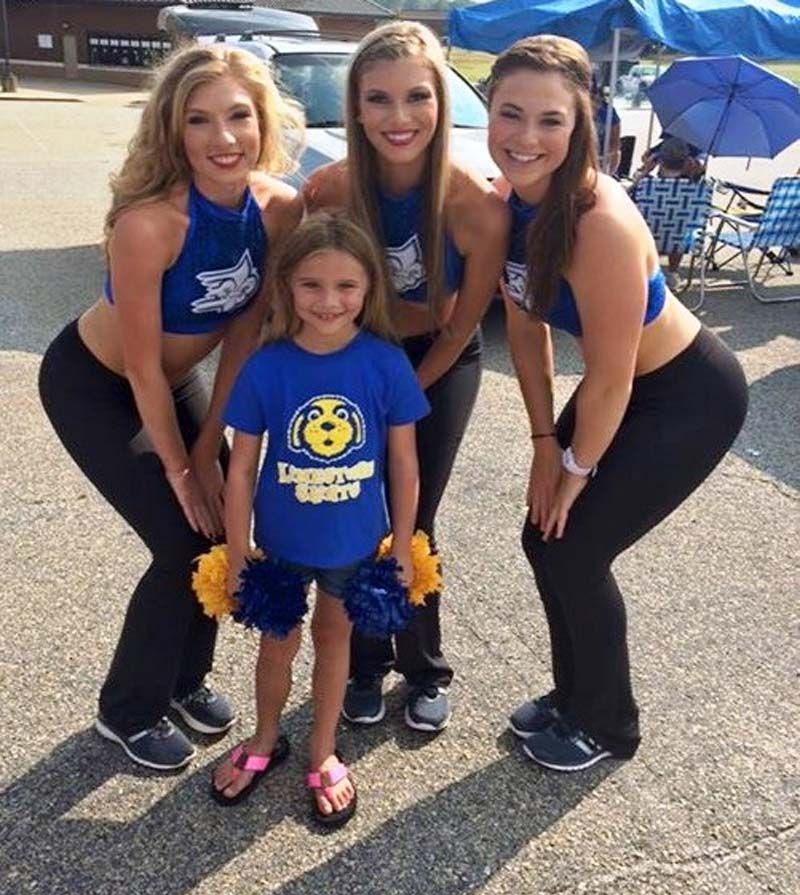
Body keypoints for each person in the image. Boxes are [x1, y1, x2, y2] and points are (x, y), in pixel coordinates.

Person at [38, 45, 303, 770]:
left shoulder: (279, 209)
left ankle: (186, 681)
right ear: (173, 131)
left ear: (263, 120)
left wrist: (213, 447)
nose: (223, 138)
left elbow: (244, 335)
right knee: (180, 536)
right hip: (98, 385)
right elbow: (144, 370)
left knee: (222, 527)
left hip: (178, 381)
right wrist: (184, 469)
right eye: (199, 120)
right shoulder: (150, 224)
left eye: (239, 116)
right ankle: (127, 711)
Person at [487, 35, 748, 771]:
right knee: (543, 538)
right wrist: (543, 442)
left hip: (685, 396)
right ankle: (573, 695)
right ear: (491, 115)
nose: (527, 137)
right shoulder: (507, 203)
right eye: (511, 114)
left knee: (575, 548)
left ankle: (609, 725)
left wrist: (574, 466)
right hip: (623, 389)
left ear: (580, 127)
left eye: (550, 121)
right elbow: (524, 330)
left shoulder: (599, 220)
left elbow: (610, 377)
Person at [304, 21, 508, 733]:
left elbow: (464, 325)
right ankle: (364, 665)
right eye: (379, 100)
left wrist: (407, 394)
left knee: (411, 517)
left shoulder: (474, 205)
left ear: (442, 102)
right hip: (356, 362)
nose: (399, 118)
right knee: (356, 514)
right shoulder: (328, 190)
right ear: (356, 108)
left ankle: (425, 667)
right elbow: (302, 297)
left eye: (417, 97)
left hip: (439, 362)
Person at [211, 213, 429, 826]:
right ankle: (263, 740)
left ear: (368, 290)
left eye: (346, 287)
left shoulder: (385, 364)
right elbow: (241, 469)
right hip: (280, 544)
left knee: (335, 640)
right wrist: (237, 548)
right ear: (286, 288)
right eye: (311, 286)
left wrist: (404, 546)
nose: (329, 301)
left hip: (355, 546)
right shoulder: (267, 366)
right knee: (277, 645)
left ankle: (322, 746)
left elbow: (405, 465)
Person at [630, 135, 708, 290]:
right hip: (679, 242)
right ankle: (673, 271)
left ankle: (647, 269)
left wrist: (645, 171)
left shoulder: (646, 185)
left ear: (659, 161)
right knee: (681, 225)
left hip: (648, 238)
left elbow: (627, 197)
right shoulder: (697, 189)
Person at [591, 77, 620, 175]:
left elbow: (615, 140)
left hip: (604, 145)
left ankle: (609, 176)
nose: (596, 105)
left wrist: (611, 151)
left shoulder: (608, 112)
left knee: (616, 153)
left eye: (597, 100)